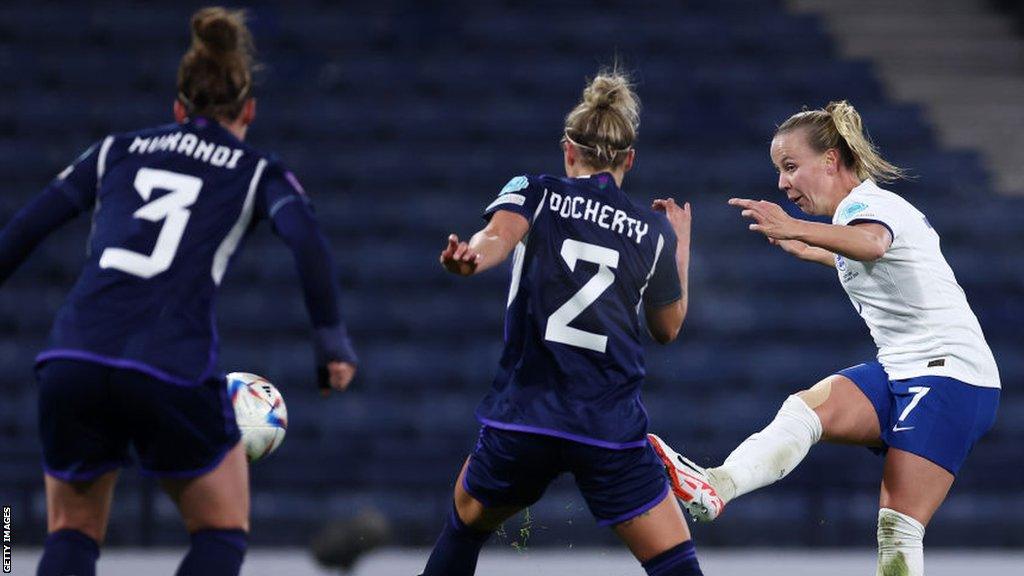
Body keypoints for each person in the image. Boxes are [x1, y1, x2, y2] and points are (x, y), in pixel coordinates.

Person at [0, 7, 358, 576]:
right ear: (248, 111)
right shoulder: (258, 170)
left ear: (177, 108)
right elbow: (306, 240)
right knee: (221, 528)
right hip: (168, 361)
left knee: (70, 531)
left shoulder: (115, 150)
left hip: (74, 355)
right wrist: (331, 342)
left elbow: (22, 231)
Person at [648, 100, 1000, 576]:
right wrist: (809, 246)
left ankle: (720, 484)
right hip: (903, 368)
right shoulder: (858, 215)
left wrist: (798, 228)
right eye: (779, 170)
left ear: (831, 160)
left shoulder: (866, 204)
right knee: (806, 408)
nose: (782, 182)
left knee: (898, 528)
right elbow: (877, 262)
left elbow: (874, 244)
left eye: (791, 166)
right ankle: (716, 485)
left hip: (951, 378)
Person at [423, 69, 702, 576]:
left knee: (465, 523)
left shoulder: (537, 191)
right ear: (629, 160)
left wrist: (471, 259)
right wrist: (680, 244)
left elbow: (495, 238)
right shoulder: (654, 231)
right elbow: (668, 328)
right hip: (608, 427)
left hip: (527, 416)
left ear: (567, 150)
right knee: (675, 561)